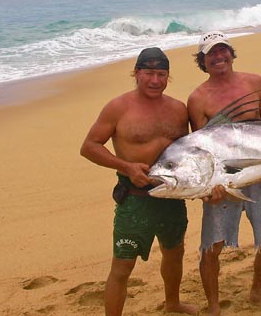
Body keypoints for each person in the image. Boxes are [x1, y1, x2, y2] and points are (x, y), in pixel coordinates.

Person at [80, 47, 198, 316]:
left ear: (169, 76)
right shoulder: (118, 107)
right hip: (134, 199)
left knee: (174, 251)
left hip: (170, 197)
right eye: (148, 73)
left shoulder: (179, 109)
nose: (155, 80)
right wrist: (126, 166)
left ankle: (172, 303)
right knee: (122, 266)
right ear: (136, 73)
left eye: (162, 74)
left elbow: (191, 151)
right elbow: (89, 146)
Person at [187, 31, 261, 316]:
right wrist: (209, 187)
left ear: (232, 54)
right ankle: (213, 305)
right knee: (212, 246)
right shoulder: (197, 98)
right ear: (203, 61)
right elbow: (201, 149)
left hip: (260, 174)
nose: (219, 57)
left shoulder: (255, 82)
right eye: (211, 54)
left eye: (223, 51)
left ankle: (258, 292)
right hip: (223, 181)